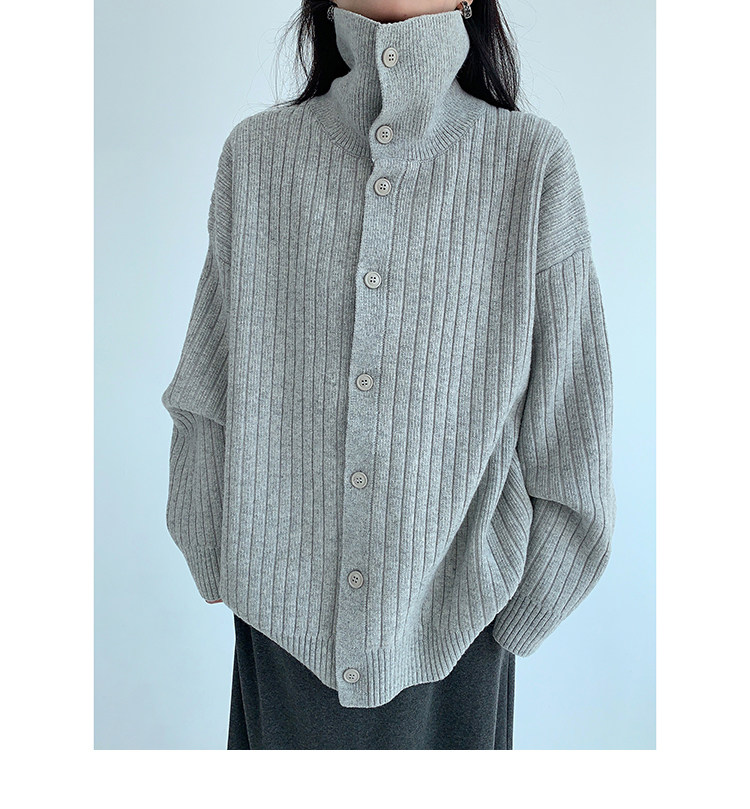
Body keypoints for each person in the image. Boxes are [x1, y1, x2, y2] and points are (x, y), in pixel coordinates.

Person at [161, 0, 616, 750]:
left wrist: (521, 609)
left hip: (462, 629)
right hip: (281, 623)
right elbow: (209, 383)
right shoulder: (258, 156)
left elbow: (574, 420)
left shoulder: (530, 163)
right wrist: (217, 552)